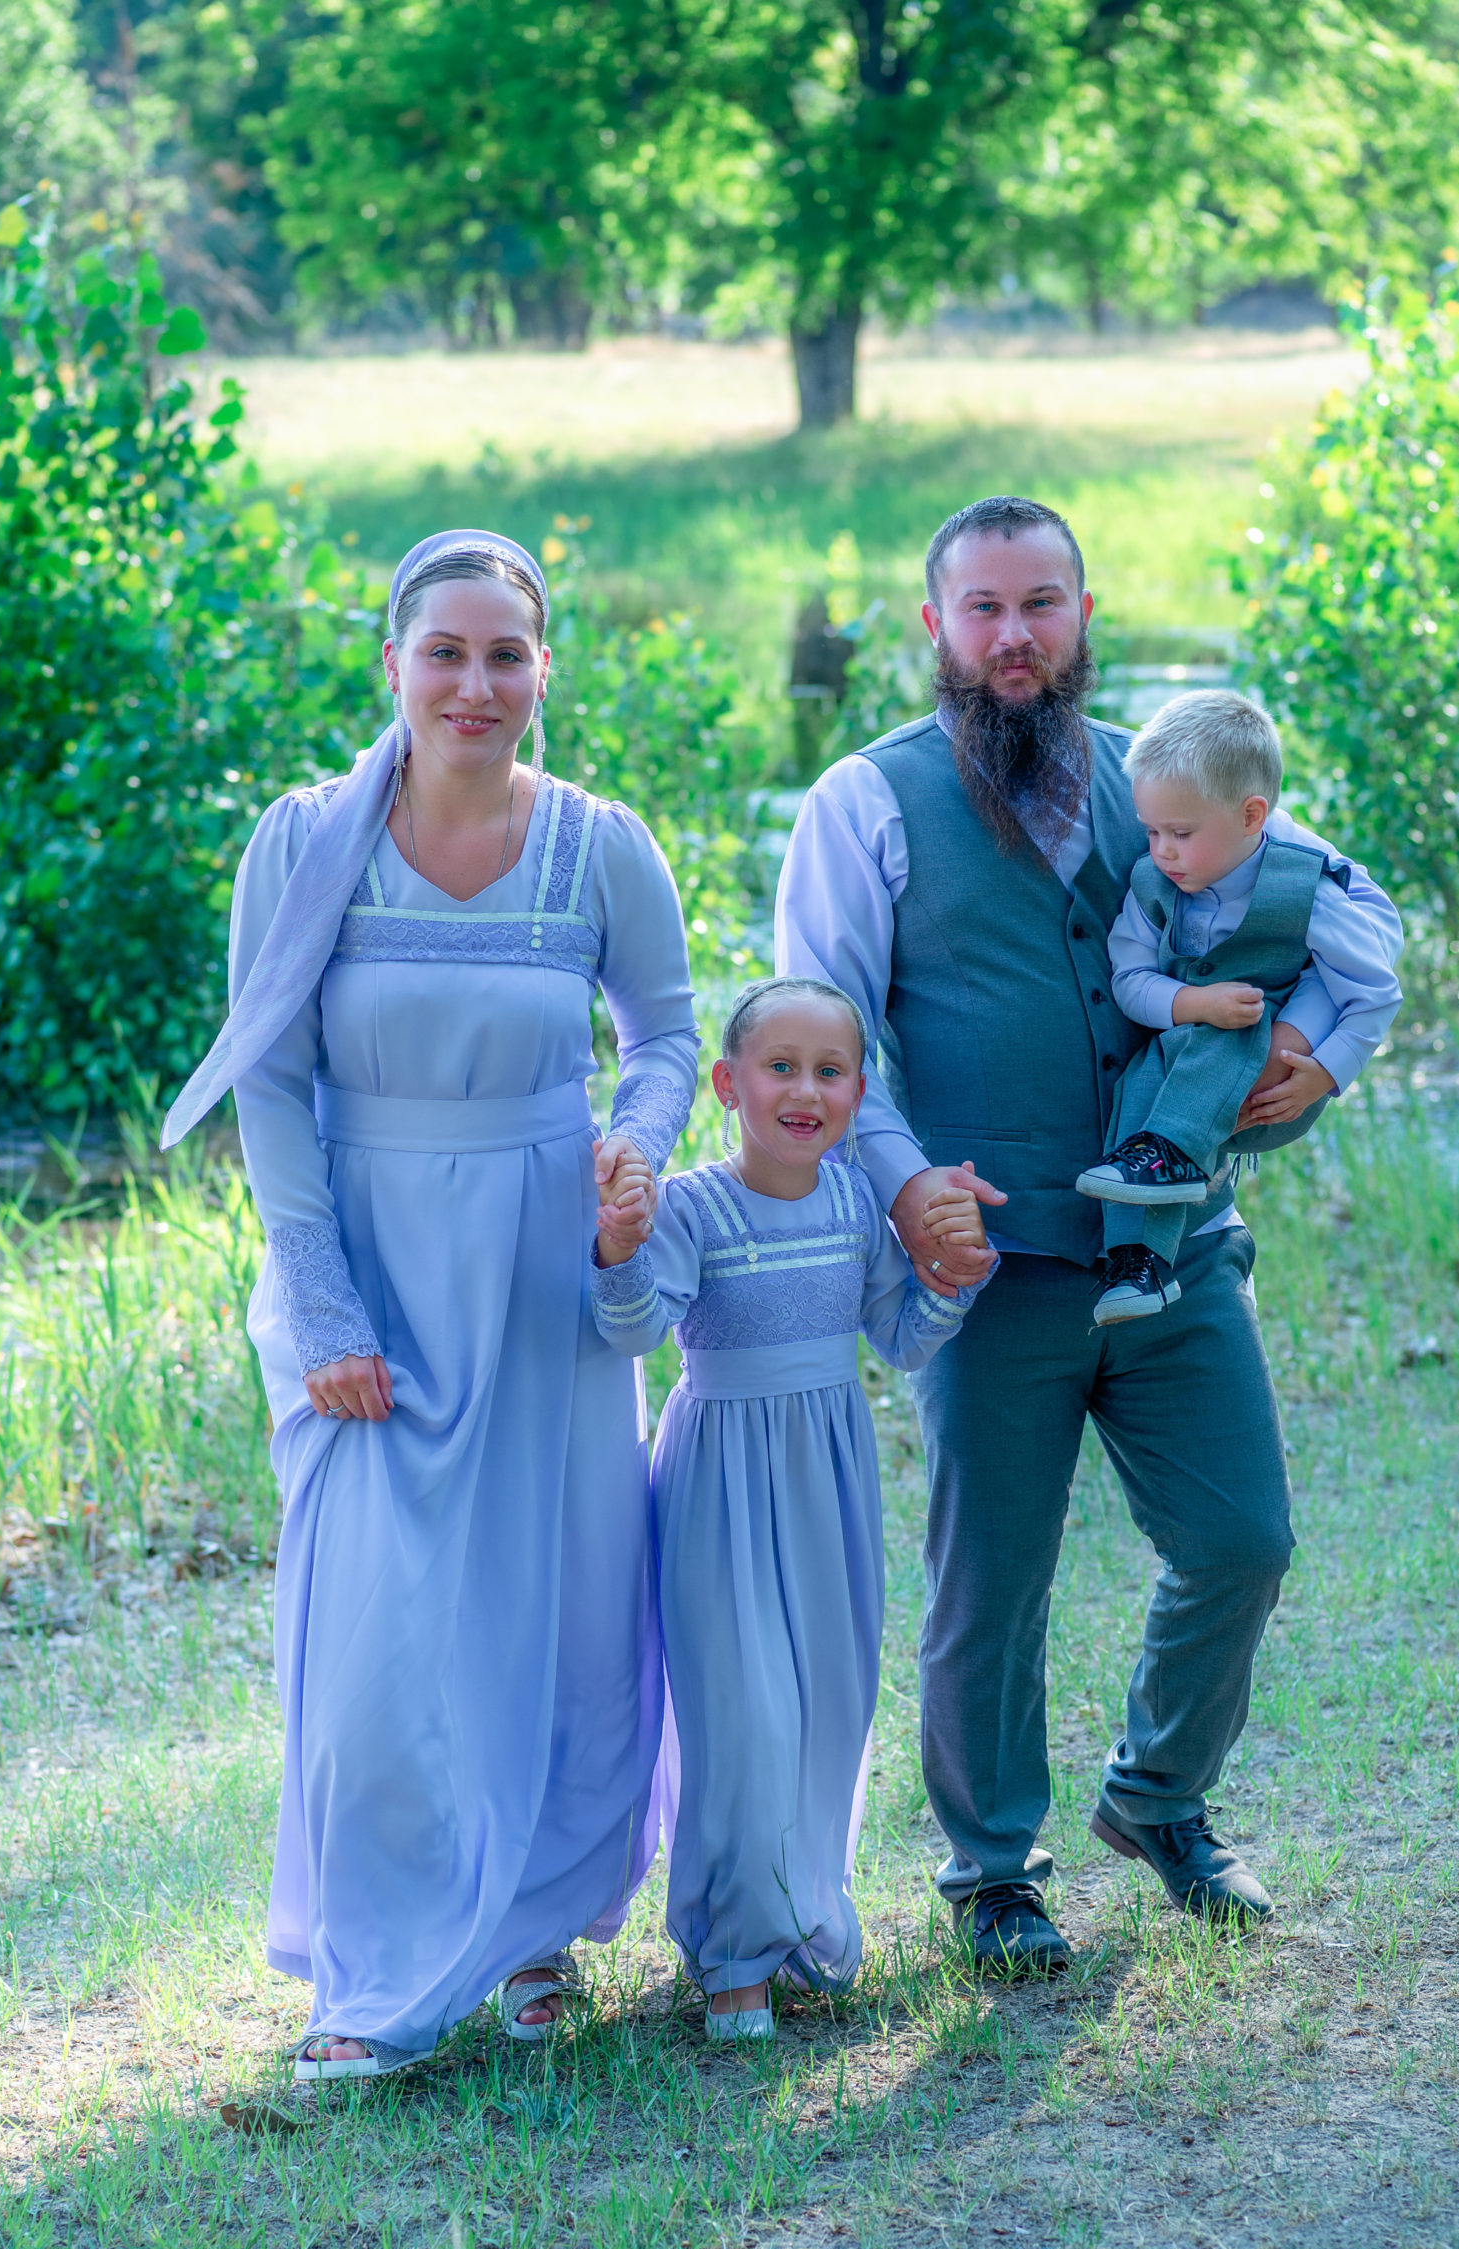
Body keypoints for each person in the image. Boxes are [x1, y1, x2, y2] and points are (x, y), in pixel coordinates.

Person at [776, 495, 1400, 1963]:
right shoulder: (862, 802)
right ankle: (993, 1869)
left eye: (1040, 605)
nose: (1013, 638)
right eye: (981, 609)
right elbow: (823, 1028)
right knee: (992, 1580)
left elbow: (1331, 925)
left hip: (1174, 1246)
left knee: (1241, 1538)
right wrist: (905, 1183)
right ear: (934, 626)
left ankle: (1159, 1797)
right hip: (985, 1266)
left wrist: (1311, 1062)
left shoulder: (1178, 776)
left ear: (1085, 616)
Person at [160, 528, 698, 2081]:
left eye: (505, 653)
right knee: (377, 1640)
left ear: (543, 667)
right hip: (375, 1266)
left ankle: (536, 1935)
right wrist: (323, 1309)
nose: (475, 683)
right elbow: (270, 1081)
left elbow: (666, 1032)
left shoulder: (601, 845)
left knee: (562, 1605)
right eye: (444, 651)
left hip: (547, 1263)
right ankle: (377, 1963)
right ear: (390, 660)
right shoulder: (304, 840)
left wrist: (634, 1157)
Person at [588, 977, 984, 2038]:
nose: (803, 1089)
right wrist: (617, 1251)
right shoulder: (690, 1206)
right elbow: (632, 1332)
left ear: (859, 1091)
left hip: (829, 1479)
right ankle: (732, 1954)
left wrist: (950, 1277)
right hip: (719, 1479)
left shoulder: (856, 1201)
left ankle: (803, 1910)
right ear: (726, 1083)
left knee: (825, 1707)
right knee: (742, 1713)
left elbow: (896, 1335)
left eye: (829, 1070)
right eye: (779, 1067)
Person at [1079, 690, 1403, 1324]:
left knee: (1226, 1039)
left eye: (1181, 833)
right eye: (1151, 831)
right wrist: (1191, 1000)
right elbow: (1129, 978)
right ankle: (1136, 1266)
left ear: (1253, 814)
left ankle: (1167, 1154)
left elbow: (1374, 991)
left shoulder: (1302, 887)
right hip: (1194, 1041)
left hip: (1275, 1073)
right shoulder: (1153, 882)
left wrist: (1327, 1074)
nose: (1162, 851)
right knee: (1139, 1085)